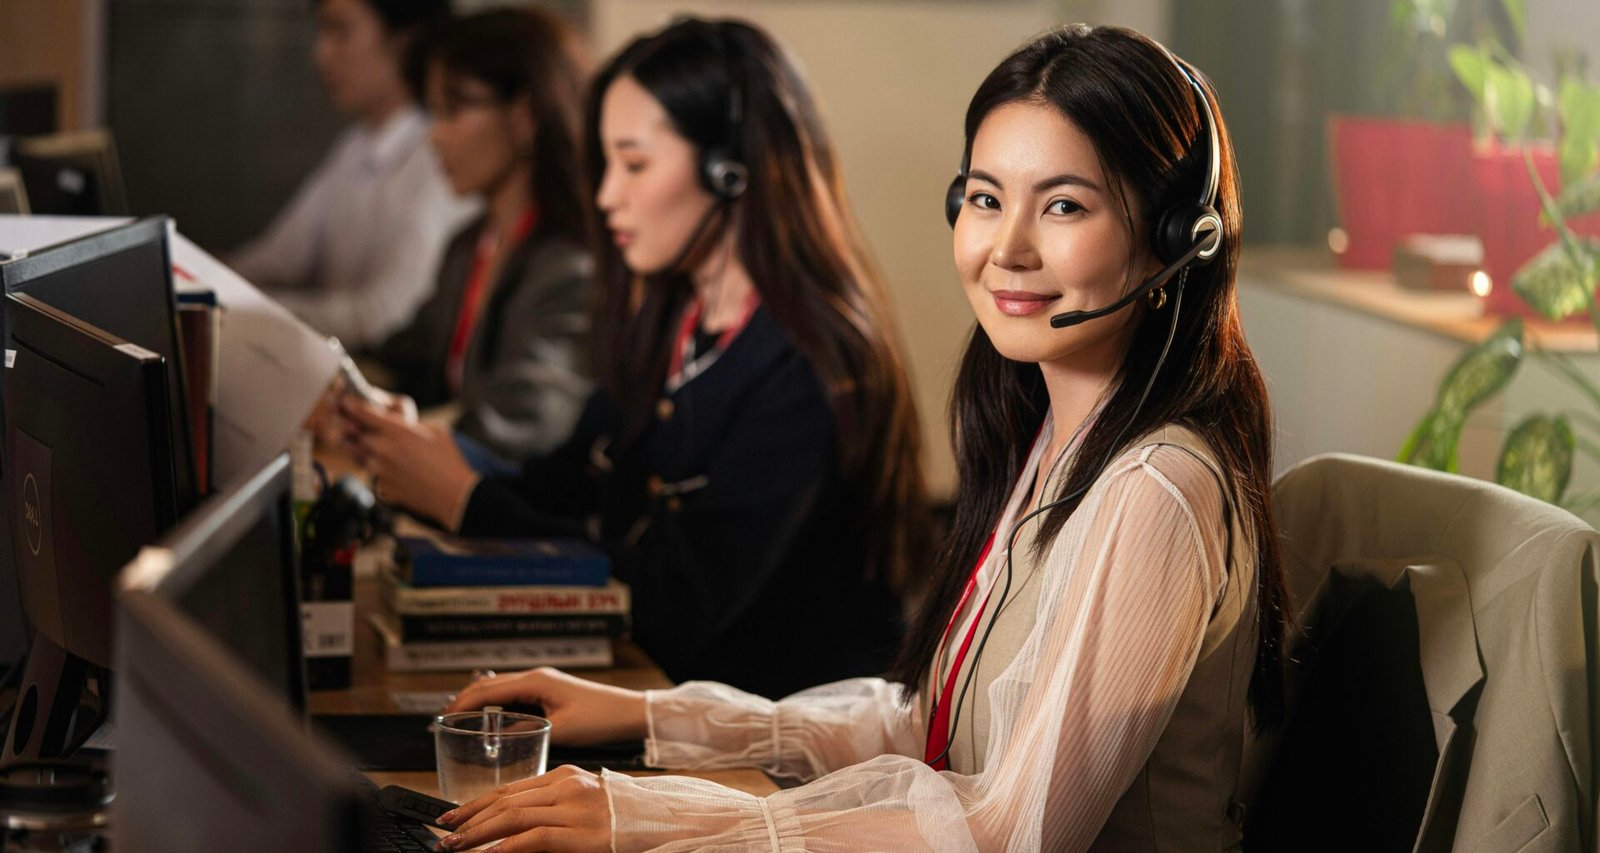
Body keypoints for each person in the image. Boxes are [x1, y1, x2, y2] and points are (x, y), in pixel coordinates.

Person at [425, 23, 1291, 852]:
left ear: (1182, 239)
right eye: (985, 199)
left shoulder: (1155, 486)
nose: (1007, 247)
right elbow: (928, 723)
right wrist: (648, 715)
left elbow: (1012, 832)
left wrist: (654, 816)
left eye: (1064, 205)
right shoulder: (1048, 447)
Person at [342, 18, 930, 700]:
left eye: (635, 163)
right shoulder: (671, 318)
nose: (605, 195)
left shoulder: (809, 366)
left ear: (728, 168)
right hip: (669, 703)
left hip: (775, 754)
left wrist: (470, 501)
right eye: (607, 163)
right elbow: (560, 485)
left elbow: (677, 604)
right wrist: (431, 457)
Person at [366, 8, 594, 465]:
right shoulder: (470, 244)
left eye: (454, 109)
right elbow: (407, 359)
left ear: (526, 116)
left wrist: (399, 437)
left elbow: (525, 420)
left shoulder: (570, 260)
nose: (435, 137)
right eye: (432, 113)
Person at [231, 0, 476, 350]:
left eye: (341, 31)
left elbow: (386, 316)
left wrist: (242, 308)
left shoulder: (441, 160)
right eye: (322, 32)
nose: (322, 54)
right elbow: (279, 258)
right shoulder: (356, 146)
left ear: (403, 42)